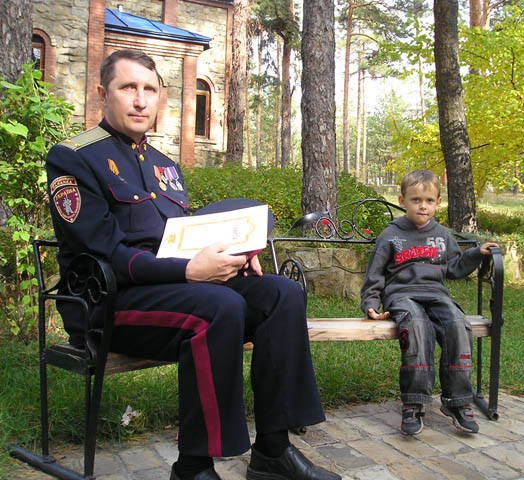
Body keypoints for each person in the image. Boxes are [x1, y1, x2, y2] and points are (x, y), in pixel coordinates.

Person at [46, 49, 341, 480]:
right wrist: (189, 271)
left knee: (282, 294)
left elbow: (181, 237)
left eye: (150, 89)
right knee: (219, 307)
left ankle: (274, 450)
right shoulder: (74, 157)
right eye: (128, 88)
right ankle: (193, 467)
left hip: (174, 290)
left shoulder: (164, 166)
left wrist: (235, 252)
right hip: (108, 302)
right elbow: (106, 253)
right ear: (102, 94)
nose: (140, 100)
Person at [360, 169, 499, 436]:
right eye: (415, 200)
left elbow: (454, 268)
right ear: (402, 201)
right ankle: (414, 402)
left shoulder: (442, 235)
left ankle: (458, 402)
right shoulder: (391, 235)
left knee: (458, 324)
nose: (422, 206)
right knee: (416, 327)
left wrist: (475, 254)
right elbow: (374, 274)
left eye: (429, 201)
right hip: (403, 296)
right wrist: (371, 304)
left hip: (436, 295)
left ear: (438, 203)